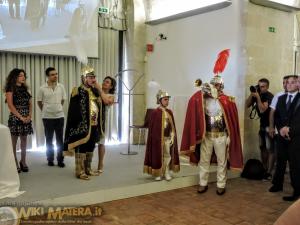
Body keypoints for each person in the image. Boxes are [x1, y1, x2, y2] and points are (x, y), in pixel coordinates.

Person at [181, 77, 243, 195]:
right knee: (204, 160)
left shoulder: (228, 100)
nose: (215, 86)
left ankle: (221, 184)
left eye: (217, 85)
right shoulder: (203, 99)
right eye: (213, 84)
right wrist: (201, 92)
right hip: (207, 136)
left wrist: (230, 136)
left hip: (221, 136)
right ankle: (202, 183)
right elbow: (193, 101)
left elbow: (231, 121)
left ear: (221, 86)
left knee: (222, 161)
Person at [63, 65, 104, 180]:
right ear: (84, 78)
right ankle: (79, 171)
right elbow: (74, 111)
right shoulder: (77, 91)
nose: (93, 80)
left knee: (91, 146)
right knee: (81, 147)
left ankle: (88, 169)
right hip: (83, 126)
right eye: (90, 77)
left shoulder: (95, 91)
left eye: (94, 77)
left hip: (94, 124)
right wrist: (77, 124)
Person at [273, 75, 300, 201]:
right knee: (280, 161)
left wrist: (290, 130)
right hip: (282, 136)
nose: (289, 84)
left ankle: (297, 191)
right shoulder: (281, 98)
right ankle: (277, 184)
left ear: (298, 84)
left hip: (296, 137)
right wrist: (281, 129)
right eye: (287, 82)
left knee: (295, 164)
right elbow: (277, 116)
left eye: (293, 82)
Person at [144, 90, 180, 181]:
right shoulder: (155, 113)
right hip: (158, 139)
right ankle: (158, 173)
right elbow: (153, 129)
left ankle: (166, 171)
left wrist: (172, 136)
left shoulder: (169, 112)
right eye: (165, 99)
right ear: (160, 100)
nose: (167, 101)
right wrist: (155, 138)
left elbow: (172, 127)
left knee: (167, 155)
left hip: (168, 138)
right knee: (158, 155)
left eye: (168, 99)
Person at [4, 68, 33, 173]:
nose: (23, 77)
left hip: (26, 117)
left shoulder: (25, 89)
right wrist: (20, 117)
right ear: (15, 77)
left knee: (24, 141)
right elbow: (10, 105)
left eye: (24, 75)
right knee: (14, 142)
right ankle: (14, 162)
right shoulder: (10, 88)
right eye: (21, 75)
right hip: (15, 118)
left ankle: (23, 161)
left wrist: (29, 115)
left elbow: (30, 103)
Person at [37, 67, 67, 167]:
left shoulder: (61, 87)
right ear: (48, 76)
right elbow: (39, 102)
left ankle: (60, 160)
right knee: (49, 139)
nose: (55, 76)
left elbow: (63, 100)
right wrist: (47, 109)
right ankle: (50, 159)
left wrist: (57, 108)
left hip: (59, 116)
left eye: (56, 74)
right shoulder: (42, 88)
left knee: (60, 140)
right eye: (53, 74)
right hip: (47, 117)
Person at [246, 78, 274, 180]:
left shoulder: (269, 96)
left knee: (270, 149)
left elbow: (262, 110)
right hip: (262, 126)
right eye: (259, 86)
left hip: (270, 126)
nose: (260, 88)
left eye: (262, 86)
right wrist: (252, 94)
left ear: (267, 87)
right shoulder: (258, 94)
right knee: (262, 147)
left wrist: (257, 98)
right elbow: (246, 105)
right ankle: (264, 168)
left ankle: (269, 172)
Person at [268, 76, 288, 193]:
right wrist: (271, 127)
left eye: (289, 83)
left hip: (295, 133)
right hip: (280, 131)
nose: (286, 85)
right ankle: (277, 184)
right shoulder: (279, 96)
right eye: (284, 83)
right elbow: (272, 112)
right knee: (280, 158)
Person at [94, 76, 116, 173]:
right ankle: (87, 164)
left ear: (111, 86)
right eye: (104, 81)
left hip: (102, 122)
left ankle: (100, 163)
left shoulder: (111, 96)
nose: (104, 83)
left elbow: (106, 101)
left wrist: (99, 89)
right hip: (92, 120)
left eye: (107, 82)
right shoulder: (95, 92)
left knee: (101, 143)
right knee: (89, 143)